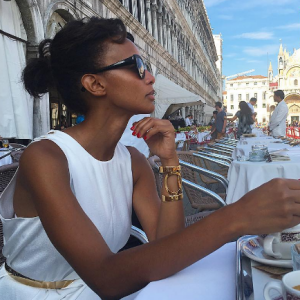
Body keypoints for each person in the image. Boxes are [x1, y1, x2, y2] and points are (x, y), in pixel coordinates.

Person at [1, 17, 300, 300]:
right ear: (95, 84)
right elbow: (105, 277)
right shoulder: (46, 157)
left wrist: (170, 163)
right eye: (138, 66)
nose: (151, 76)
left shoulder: (132, 160)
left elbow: (165, 243)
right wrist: (236, 217)